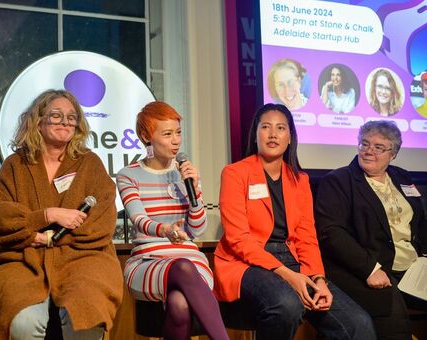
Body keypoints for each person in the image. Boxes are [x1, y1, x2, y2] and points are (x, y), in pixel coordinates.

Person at [214, 103, 376, 340]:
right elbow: (238, 239)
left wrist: (318, 280)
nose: (272, 134)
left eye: (280, 128)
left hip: (293, 259)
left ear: (290, 137)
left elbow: (306, 237)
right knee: (287, 304)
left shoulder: (300, 180)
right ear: (256, 134)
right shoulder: (235, 173)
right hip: (246, 261)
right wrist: (289, 276)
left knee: (358, 323)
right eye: (266, 127)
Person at [0, 90, 123, 339]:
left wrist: (46, 238)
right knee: (23, 322)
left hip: (84, 258)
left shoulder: (90, 164)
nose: (65, 122)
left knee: (86, 312)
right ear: (38, 120)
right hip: (24, 260)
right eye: (56, 115)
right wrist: (46, 216)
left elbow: (101, 223)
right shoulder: (16, 165)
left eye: (72, 117)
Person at [116, 101, 229, 340]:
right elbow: (139, 220)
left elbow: (197, 229)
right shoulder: (129, 175)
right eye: (167, 134)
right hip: (147, 261)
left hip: (191, 261)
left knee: (180, 304)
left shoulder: (186, 173)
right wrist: (164, 229)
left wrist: (195, 190)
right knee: (181, 266)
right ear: (147, 136)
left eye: (178, 132)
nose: (176, 140)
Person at [315, 120, 427, 340]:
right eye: (364, 144)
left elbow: (420, 221)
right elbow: (331, 233)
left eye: (378, 147)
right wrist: (370, 269)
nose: (368, 151)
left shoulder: (402, 177)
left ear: (392, 154)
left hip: (413, 266)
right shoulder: (338, 181)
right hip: (369, 269)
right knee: (391, 311)